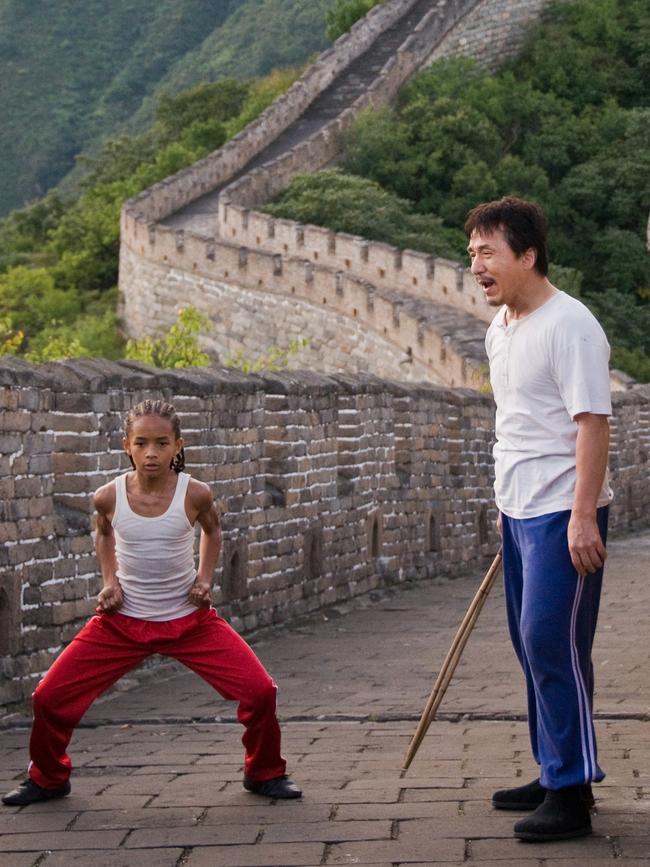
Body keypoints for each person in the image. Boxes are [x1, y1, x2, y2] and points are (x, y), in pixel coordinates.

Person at [2, 399, 301, 806]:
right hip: (121, 621)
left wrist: (204, 579)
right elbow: (104, 533)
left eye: (162, 443)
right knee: (48, 697)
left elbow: (213, 532)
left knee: (261, 691)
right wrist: (110, 581)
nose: (151, 453)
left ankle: (264, 772)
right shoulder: (108, 496)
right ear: (127, 445)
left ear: (178, 446)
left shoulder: (194, 493)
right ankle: (49, 778)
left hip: (189, 621)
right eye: (141, 443)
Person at [465, 197, 612, 842]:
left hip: (563, 513)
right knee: (532, 647)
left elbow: (592, 425)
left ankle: (573, 790)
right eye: (471, 252)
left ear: (528, 256)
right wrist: (504, 509)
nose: (476, 264)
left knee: (555, 643)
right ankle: (554, 768)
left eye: (488, 251)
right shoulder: (500, 326)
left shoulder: (571, 324)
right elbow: (515, 429)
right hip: (520, 511)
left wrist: (582, 516)